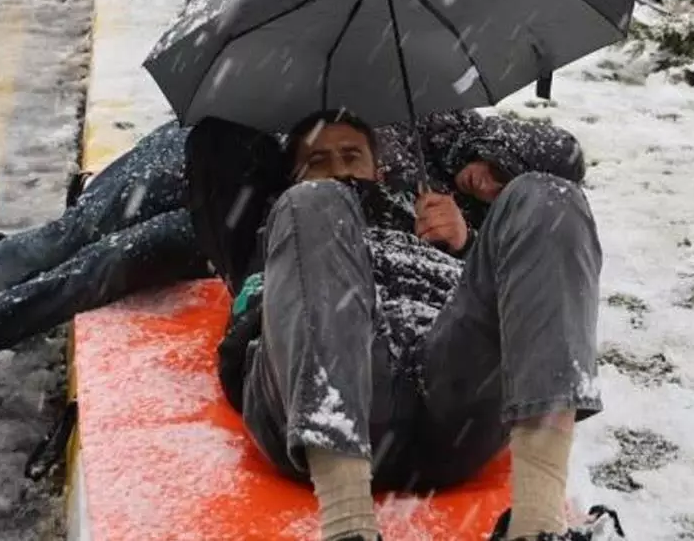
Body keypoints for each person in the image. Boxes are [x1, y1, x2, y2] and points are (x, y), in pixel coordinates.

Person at [0, 109, 590, 444]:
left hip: (256, 237)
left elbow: (550, 180)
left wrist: (469, 207)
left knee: (115, 263)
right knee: (84, 238)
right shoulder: (313, 81)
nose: (489, 185)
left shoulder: (445, 173)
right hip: (227, 166)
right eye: (490, 176)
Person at [202, 110, 613, 541]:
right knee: (315, 203)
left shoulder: (433, 188)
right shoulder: (284, 222)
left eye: (350, 154)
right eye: (318, 160)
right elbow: (212, 142)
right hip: (323, 404)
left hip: (450, 397)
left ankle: (538, 525)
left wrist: (465, 242)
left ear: (378, 169)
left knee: (549, 195)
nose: (339, 168)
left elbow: (561, 153)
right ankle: (347, 527)